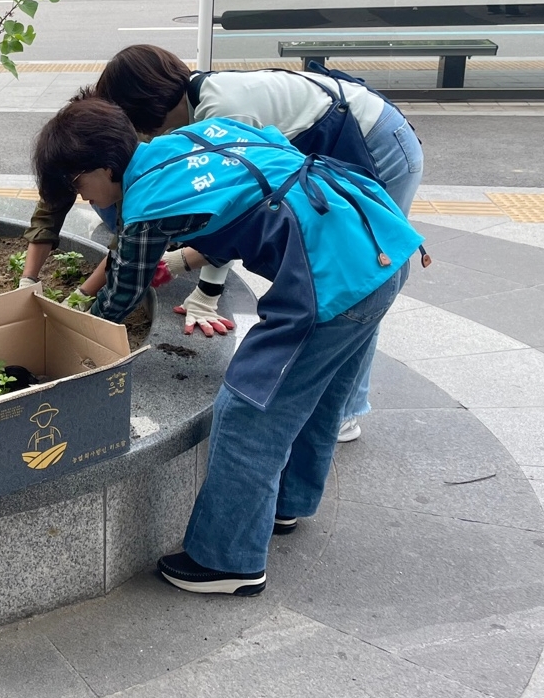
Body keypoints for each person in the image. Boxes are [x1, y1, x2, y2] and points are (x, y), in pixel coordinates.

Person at [33, 99, 422, 596]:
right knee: (318, 395)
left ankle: (228, 560)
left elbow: (121, 295)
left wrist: (72, 337)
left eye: (78, 184)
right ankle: (287, 504)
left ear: (104, 168)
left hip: (332, 283)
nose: (83, 199)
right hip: (376, 245)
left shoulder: (147, 202)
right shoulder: (188, 143)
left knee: (248, 409)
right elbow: (254, 191)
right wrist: (177, 263)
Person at [21, 44, 423, 441]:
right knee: (355, 281)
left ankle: (343, 412)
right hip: (312, 174)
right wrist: (172, 264)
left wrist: (207, 292)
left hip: (374, 140)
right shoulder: (184, 130)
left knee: (359, 280)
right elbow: (229, 213)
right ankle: (323, 417)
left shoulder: (220, 113)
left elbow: (229, 209)